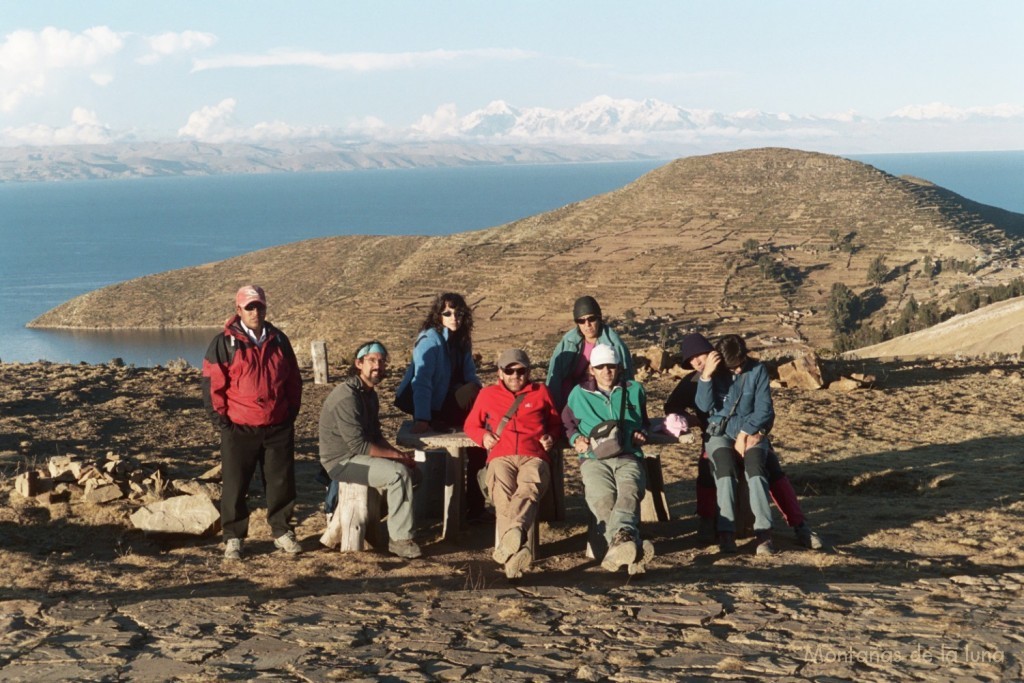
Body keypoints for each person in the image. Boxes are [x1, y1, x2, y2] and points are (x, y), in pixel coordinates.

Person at [665, 333, 822, 551]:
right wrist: (690, 420)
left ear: (714, 354)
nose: (697, 362)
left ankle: (797, 525)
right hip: (716, 435)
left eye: (700, 356)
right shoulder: (695, 379)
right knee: (710, 468)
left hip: (748, 434)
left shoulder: (748, 370)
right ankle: (709, 522)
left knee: (770, 468)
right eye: (691, 360)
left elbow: (765, 410)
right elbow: (674, 406)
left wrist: (757, 431)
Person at [202, 285, 303, 561]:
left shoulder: (279, 340)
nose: (255, 311)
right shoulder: (224, 343)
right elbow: (213, 387)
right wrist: (224, 423)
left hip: (277, 425)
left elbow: (293, 379)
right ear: (238, 310)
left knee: (281, 482)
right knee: (235, 485)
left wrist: (288, 415)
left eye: (259, 306)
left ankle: (282, 531)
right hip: (239, 427)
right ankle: (234, 537)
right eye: (249, 307)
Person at [463, 349, 562, 579]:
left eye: (521, 371)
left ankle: (512, 544)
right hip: (501, 455)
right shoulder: (487, 394)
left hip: (534, 454)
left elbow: (556, 423)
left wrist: (551, 437)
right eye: (510, 370)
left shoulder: (541, 392)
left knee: (529, 486)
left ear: (528, 372)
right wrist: (483, 437)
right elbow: (470, 425)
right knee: (503, 496)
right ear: (500, 372)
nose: (515, 376)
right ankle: (516, 553)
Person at [319, 341, 422, 559]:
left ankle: (377, 523)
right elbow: (360, 445)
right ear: (359, 363)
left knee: (414, 472)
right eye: (372, 360)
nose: (378, 365)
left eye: (382, 361)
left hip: (359, 456)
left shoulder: (368, 394)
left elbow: (375, 436)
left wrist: (401, 456)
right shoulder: (347, 396)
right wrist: (396, 458)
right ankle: (401, 540)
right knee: (398, 474)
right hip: (342, 462)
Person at [395, 293, 489, 520]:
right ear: (438, 316)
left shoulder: (462, 340)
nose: (453, 317)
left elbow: (471, 376)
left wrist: (476, 391)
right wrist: (422, 418)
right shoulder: (430, 340)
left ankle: (474, 505)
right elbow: (422, 382)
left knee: (480, 442)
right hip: (433, 406)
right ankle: (472, 507)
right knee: (476, 438)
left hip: (452, 401)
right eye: (447, 313)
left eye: (457, 313)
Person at [563, 343, 654, 574]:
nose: (606, 371)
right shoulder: (578, 394)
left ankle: (621, 546)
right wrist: (575, 438)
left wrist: (641, 432)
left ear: (619, 367)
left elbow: (644, 420)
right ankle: (631, 546)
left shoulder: (634, 390)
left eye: (611, 366)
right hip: (594, 458)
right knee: (601, 498)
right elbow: (567, 423)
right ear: (591, 369)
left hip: (628, 455)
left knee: (630, 490)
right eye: (600, 366)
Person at [546, 296, 635, 412]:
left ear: (599, 319)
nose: (587, 324)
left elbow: (626, 377)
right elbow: (554, 376)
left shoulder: (614, 345)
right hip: (570, 395)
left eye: (591, 319)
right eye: (581, 321)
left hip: (601, 393)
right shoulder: (568, 342)